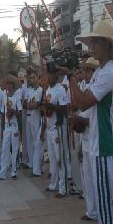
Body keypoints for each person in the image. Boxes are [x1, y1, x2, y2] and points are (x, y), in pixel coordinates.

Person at [64, 19, 113, 224]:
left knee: (107, 207)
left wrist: (71, 78)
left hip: (105, 147)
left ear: (107, 46)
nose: (92, 46)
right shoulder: (102, 71)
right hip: (101, 145)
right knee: (103, 203)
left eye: (96, 42)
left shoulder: (109, 73)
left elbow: (83, 100)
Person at [69, 58, 99, 220]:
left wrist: (79, 120)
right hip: (85, 138)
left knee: (96, 179)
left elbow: (94, 119)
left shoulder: (96, 90)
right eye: (85, 70)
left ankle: (100, 213)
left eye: (89, 70)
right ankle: (91, 211)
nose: (86, 73)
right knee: (87, 177)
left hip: (95, 138)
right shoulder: (86, 88)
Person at [41, 68, 68, 196]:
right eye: (48, 75)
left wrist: (52, 107)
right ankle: (54, 185)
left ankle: (63, 188)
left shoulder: (61, 89)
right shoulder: (48, 90)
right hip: (49, 127)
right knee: (52, 159)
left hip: (58, 127)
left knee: (60, 158)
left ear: (56, 77)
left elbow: (64, 108)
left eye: (50, 75)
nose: (48, 77)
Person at [0, 74, 22, 180]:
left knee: (15, 149)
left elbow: (20, 113)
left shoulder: (17, 98)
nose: (9, 86)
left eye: (11, 84)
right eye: (7, 84)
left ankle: (14, 171)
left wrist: (13, 111)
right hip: (7, 127)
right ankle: (2, 172)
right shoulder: (4, 97)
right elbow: (2, 113)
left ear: (13, 86)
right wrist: (2, 129)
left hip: (15, 126)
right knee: (4, 150)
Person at [23, 71, 43, 176]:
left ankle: (39, 167)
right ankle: (32, 163)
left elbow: (37, 104)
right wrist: (31, 105)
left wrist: (32, 105)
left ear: (38, 78)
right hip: (29, 117)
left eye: (34, 77)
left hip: (36, 118)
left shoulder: (40, 90)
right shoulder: (28, 90)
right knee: (30, 142)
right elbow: (25, 104)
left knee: (37, 143)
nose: (32, 79)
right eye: (31, 78)